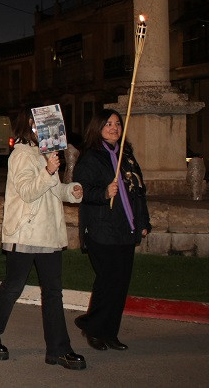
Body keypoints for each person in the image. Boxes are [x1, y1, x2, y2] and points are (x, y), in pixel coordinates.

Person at [0, 108, 86, 370]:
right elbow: (27, 191)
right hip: (25, 232)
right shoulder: (22, 153)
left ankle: (58, 349)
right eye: (41, 124)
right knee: (13, 286)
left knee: (53, 292)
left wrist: (70, 191)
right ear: (30, 125)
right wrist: (48, 171)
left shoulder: (44, 153)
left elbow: (51, 190)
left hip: (47, 232)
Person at [72, 109, 151, 352]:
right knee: (108, 282)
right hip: (102, 230)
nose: (114, 128)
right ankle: (94, 328)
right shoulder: (91, 158)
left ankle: (109, 332)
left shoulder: (126, 155)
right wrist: (104, 193)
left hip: (125, 229)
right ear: (98, 128)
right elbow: (81, 190)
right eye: (108, 124)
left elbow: (138, 190)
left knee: (120, 283)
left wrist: (144, 222)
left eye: (117, 124)